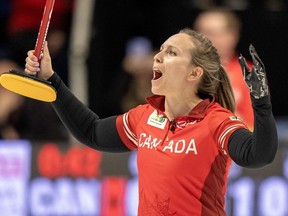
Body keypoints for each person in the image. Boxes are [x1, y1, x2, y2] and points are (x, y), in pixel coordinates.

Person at [25, 28, 278, 215]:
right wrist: (51, 79)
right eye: (160, 50)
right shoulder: (145, 117)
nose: (157, 57)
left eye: (172, 52)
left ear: (194, 73)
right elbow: (91, 131)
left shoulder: (216, 122)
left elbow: (258, 156)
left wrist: (261, 104)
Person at [193, 8, 255, 130]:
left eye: (210, 32)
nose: (201, 39)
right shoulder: (183, 70)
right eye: (197, 33)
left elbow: (254, 126)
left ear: (232, 36)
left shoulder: (249, 73)